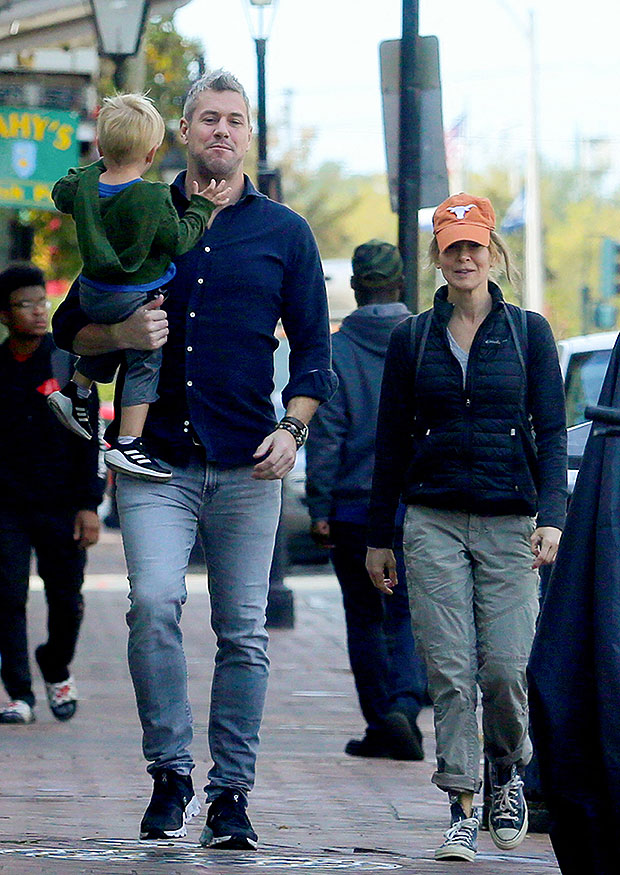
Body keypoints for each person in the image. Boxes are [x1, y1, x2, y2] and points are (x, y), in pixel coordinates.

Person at [52, 70, 337, 849]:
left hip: (251, 464)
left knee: (244, 630)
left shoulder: (285, 233)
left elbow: (315, 349)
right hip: (157, 463)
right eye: (207, 119)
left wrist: (295, 427)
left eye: (234, 120)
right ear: (182, 131)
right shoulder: (138, 207)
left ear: (250, 134)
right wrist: (120, 340)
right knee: (151, 605)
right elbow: (71, 329)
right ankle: (170, 772)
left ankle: (231, 793)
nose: (221, 131)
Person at [365, 193, 567, 863]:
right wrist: (378, 534)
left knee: (506, 668)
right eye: (452, 246)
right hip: (433, 521)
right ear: (438, 257)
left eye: (474, 245)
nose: (464, 256)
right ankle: (460, 804)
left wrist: (553, 517)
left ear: (492, 252)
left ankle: (506, 769)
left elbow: (554, 428)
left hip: (510, 522)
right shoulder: (413, 336)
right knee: (451, 672)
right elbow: (391, 440)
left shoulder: (529, 332)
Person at [48, 93, 230, 482]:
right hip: (135, 296)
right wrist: (201, 208)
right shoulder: (153, 196)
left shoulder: (84, 185)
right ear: (151, 155)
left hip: (94, 294)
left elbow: (60, 191)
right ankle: (129, 442)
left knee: (118, 339)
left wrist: (103, 163)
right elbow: (179, 240)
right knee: (146, 356)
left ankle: (76, 390)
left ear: (100, 146)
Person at [306, 239, 426, 761]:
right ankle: (404, 706)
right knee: (410, 615)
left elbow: (327, 436)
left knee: (364, 615)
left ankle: (382, 721)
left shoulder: (338, 352)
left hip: (354, 509)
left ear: (354, 289)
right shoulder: (429, 341)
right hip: (418, 506)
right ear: (401, 286)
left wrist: (320, 506)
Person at [0, 262, 103, 725]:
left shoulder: (68, 364)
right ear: (5, 314)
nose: (39, 313)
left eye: (43, 302)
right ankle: (20, 694)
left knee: (68, 601)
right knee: (7, 597)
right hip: (6, 507)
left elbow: (89, 438)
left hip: (63, 504)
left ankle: (55, 664)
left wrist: (89, 504)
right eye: (26, 304)